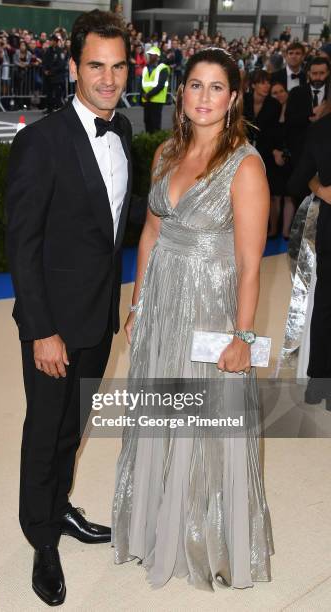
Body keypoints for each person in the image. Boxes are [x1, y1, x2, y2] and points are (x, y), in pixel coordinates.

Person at [112, 48, 273, 591]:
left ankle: (210, 540)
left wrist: (243, 335)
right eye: (195, 86)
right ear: (181, 93)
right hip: (161, 304)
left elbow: (252, 263)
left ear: (232, 99)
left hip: (211, 307)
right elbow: (152, 234)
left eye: (216, 88)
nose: (204, 97)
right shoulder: (165, 153)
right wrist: (137, 304)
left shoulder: (246, 165)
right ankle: (158, 527)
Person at [5, 10, 133, 607]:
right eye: (95, 66)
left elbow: (109, 228)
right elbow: (22, 245)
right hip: (53, 325)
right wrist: (41, 331)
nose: (107, 79)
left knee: (73, 428)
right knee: (44, 430)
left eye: (117, 66)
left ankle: (60, 508)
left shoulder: (124, 131)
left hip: (98, 318)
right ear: (74, 67)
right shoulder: (40, 141)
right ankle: (41, 538)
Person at [287, 106, 331, 409]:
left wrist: (320, 188)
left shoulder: (320, 129)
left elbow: (296, 181)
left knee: (326, 306)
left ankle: (318, 385)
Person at [243, 70, 282, 236]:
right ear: (253, 85)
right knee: (245, 191)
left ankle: (272, 230)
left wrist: (273, 150)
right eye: (262, 82)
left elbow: (273, 131)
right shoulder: (244, 100)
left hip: (266, 152)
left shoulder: (274, 104)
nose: (267, 86)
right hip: (244, 151)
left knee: (269, 192)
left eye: (268, 82)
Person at [285, 56, 330, 168]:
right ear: (308, 73)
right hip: (301, 152)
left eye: (322, 73)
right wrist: (310, 114)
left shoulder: (330, 93)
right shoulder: (296, 93)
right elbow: (289, 120)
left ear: (328, 73)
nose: (318, 77)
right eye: (314, 73)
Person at [270, 81, 295, 238]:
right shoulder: (270, 113)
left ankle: (286, 231)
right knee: (274, 196)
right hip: (273, 159)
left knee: (288, 195)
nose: (279, 94)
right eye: (275, 92)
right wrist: (274, 152)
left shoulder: (295, 111)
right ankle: (273, 229)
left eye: (281, 91)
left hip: (292, 159)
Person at [141, 45, 169, 133]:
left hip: (157, 100)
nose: (149, 56)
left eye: (152, 54)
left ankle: (156, 143)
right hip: (146, 99)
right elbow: (142, 84)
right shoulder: (146, 68)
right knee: (147, 121)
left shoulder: (163, 68)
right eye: (149, 54)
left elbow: (160, 85)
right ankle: (148, 142)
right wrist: (141, 97)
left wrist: (148, 95)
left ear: (157, 56)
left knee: (155, 124)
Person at [42, 34, 67, 113]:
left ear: (56, 42)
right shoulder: (48, 50)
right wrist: (45, 70)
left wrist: (52, 71)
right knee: (49, 93)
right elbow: (44, 61)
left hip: (57, 76)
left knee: (57, 93)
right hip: (48, 76)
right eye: (50, 40)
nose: (50, 42)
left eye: (52, 41)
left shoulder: (60, 51)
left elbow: (61, 64)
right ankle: (49, 108)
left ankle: (58, 108)